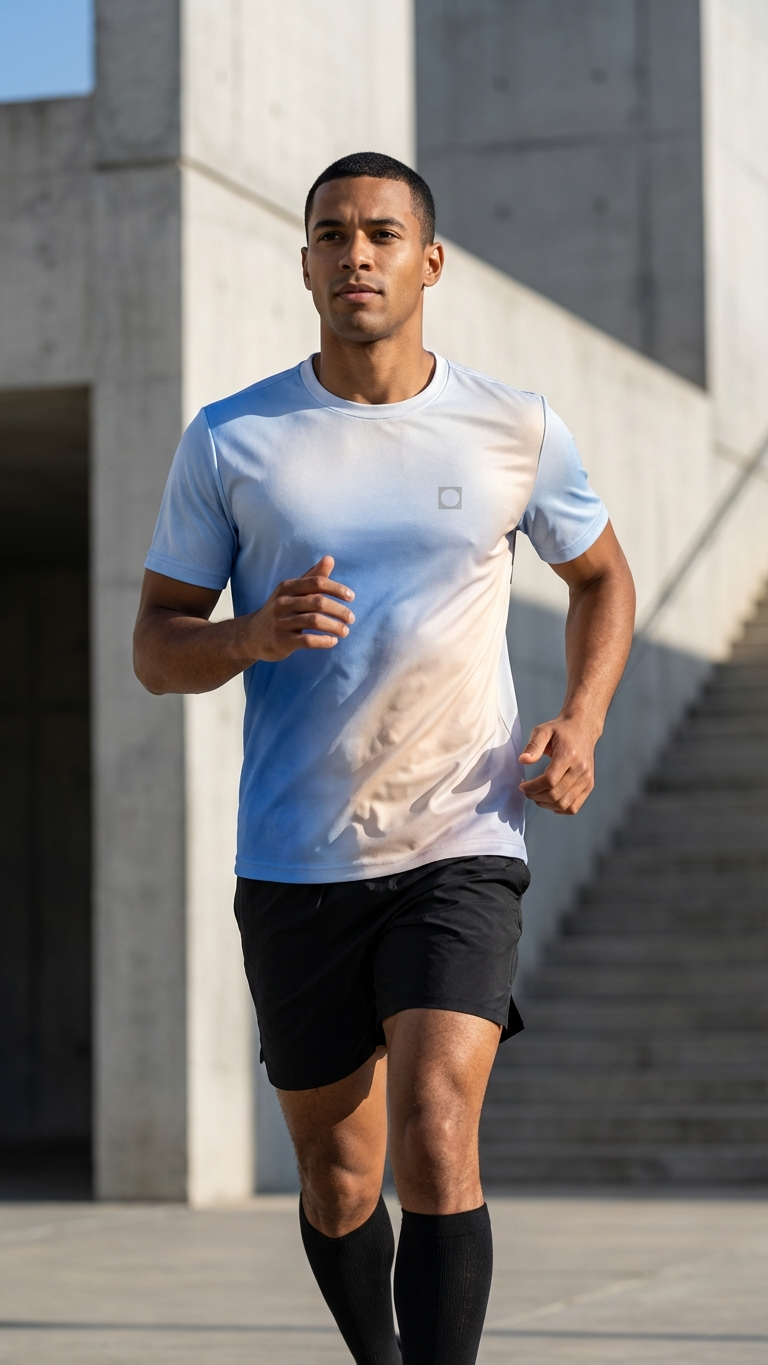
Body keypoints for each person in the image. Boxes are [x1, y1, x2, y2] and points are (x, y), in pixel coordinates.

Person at [134, 151, 635, 1365]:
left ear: (429, 262)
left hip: (460, 838)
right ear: (304, 262)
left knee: (434, 1128)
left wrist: (584, 717)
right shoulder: (232, 439)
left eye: (381, 233)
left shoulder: (514, 426)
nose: (356, 253)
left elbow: (604, 579)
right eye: (332, 234)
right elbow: (155, 648)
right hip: (297, 857)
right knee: (340, 1180)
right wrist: (250, 634)